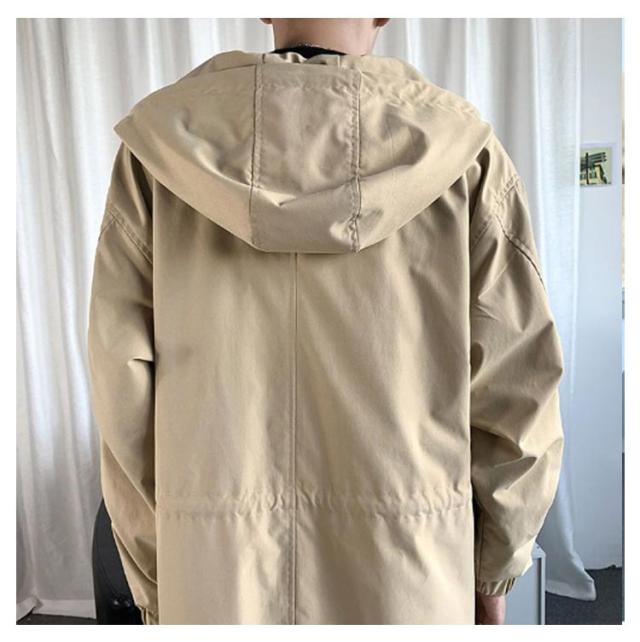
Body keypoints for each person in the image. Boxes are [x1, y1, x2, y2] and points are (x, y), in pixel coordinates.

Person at [87, 18, 565, 625]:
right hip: (409, 572)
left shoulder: (159, 153)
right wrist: (494, 569)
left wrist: (158, 576)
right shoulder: (463, 156)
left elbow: (121, 393)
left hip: (217, 575)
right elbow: (517, 395)